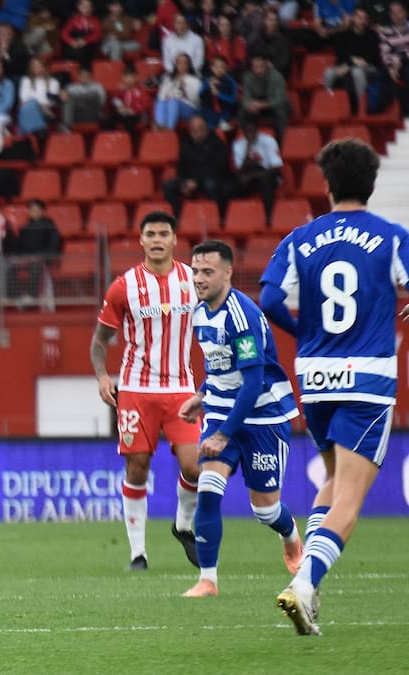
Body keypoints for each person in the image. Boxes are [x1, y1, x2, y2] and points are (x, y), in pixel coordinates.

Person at [259, 139, 409, 636]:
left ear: (326, 185)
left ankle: (308, 583)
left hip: (316, 378)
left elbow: (269, 298)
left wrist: (303, 331)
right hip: (367, 378)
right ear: (372, 184)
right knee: (350, 495)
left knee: (332, 478)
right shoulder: (391, 236)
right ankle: (304, 584)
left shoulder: (300, 238)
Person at [177, 240, 303, 598]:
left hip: (263, 413)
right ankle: (208, 580)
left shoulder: (241, 316)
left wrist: (224, 434)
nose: (199, 279)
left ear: (228, 273)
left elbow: (252, 382)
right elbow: (219, 365)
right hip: (220, 411)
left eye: (208, 272)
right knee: (208, 489)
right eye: (195, 271)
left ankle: (291, 536)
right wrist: (202, 395)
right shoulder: (200, 313)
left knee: (266, 511)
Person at [90, 211, 201, 571]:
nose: (156, 240)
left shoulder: (193, 280)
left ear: (174, 239)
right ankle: (138, 554)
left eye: (163, 234)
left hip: (181, 389)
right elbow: (100, 340)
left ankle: (182, 525)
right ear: (140, 240)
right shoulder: (124, 286)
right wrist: (102, 376)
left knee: (195, 467)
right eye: (150, 234)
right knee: (137, 468)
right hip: (136, 389)